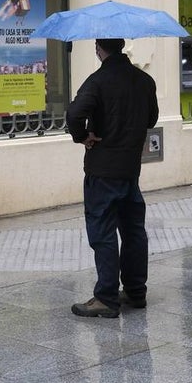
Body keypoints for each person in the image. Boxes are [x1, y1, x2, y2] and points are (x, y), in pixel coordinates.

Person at [65, 38, 159, 319]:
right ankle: (135, 291)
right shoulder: (144, 80)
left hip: (103, 170)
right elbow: (151, 119)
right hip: (130, 169)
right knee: (133, 230)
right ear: (122, 47)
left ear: (98, 49)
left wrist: (83, 136)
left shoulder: (97, 80)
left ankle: (106, 297)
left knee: (103, 232)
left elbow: (74, 114)